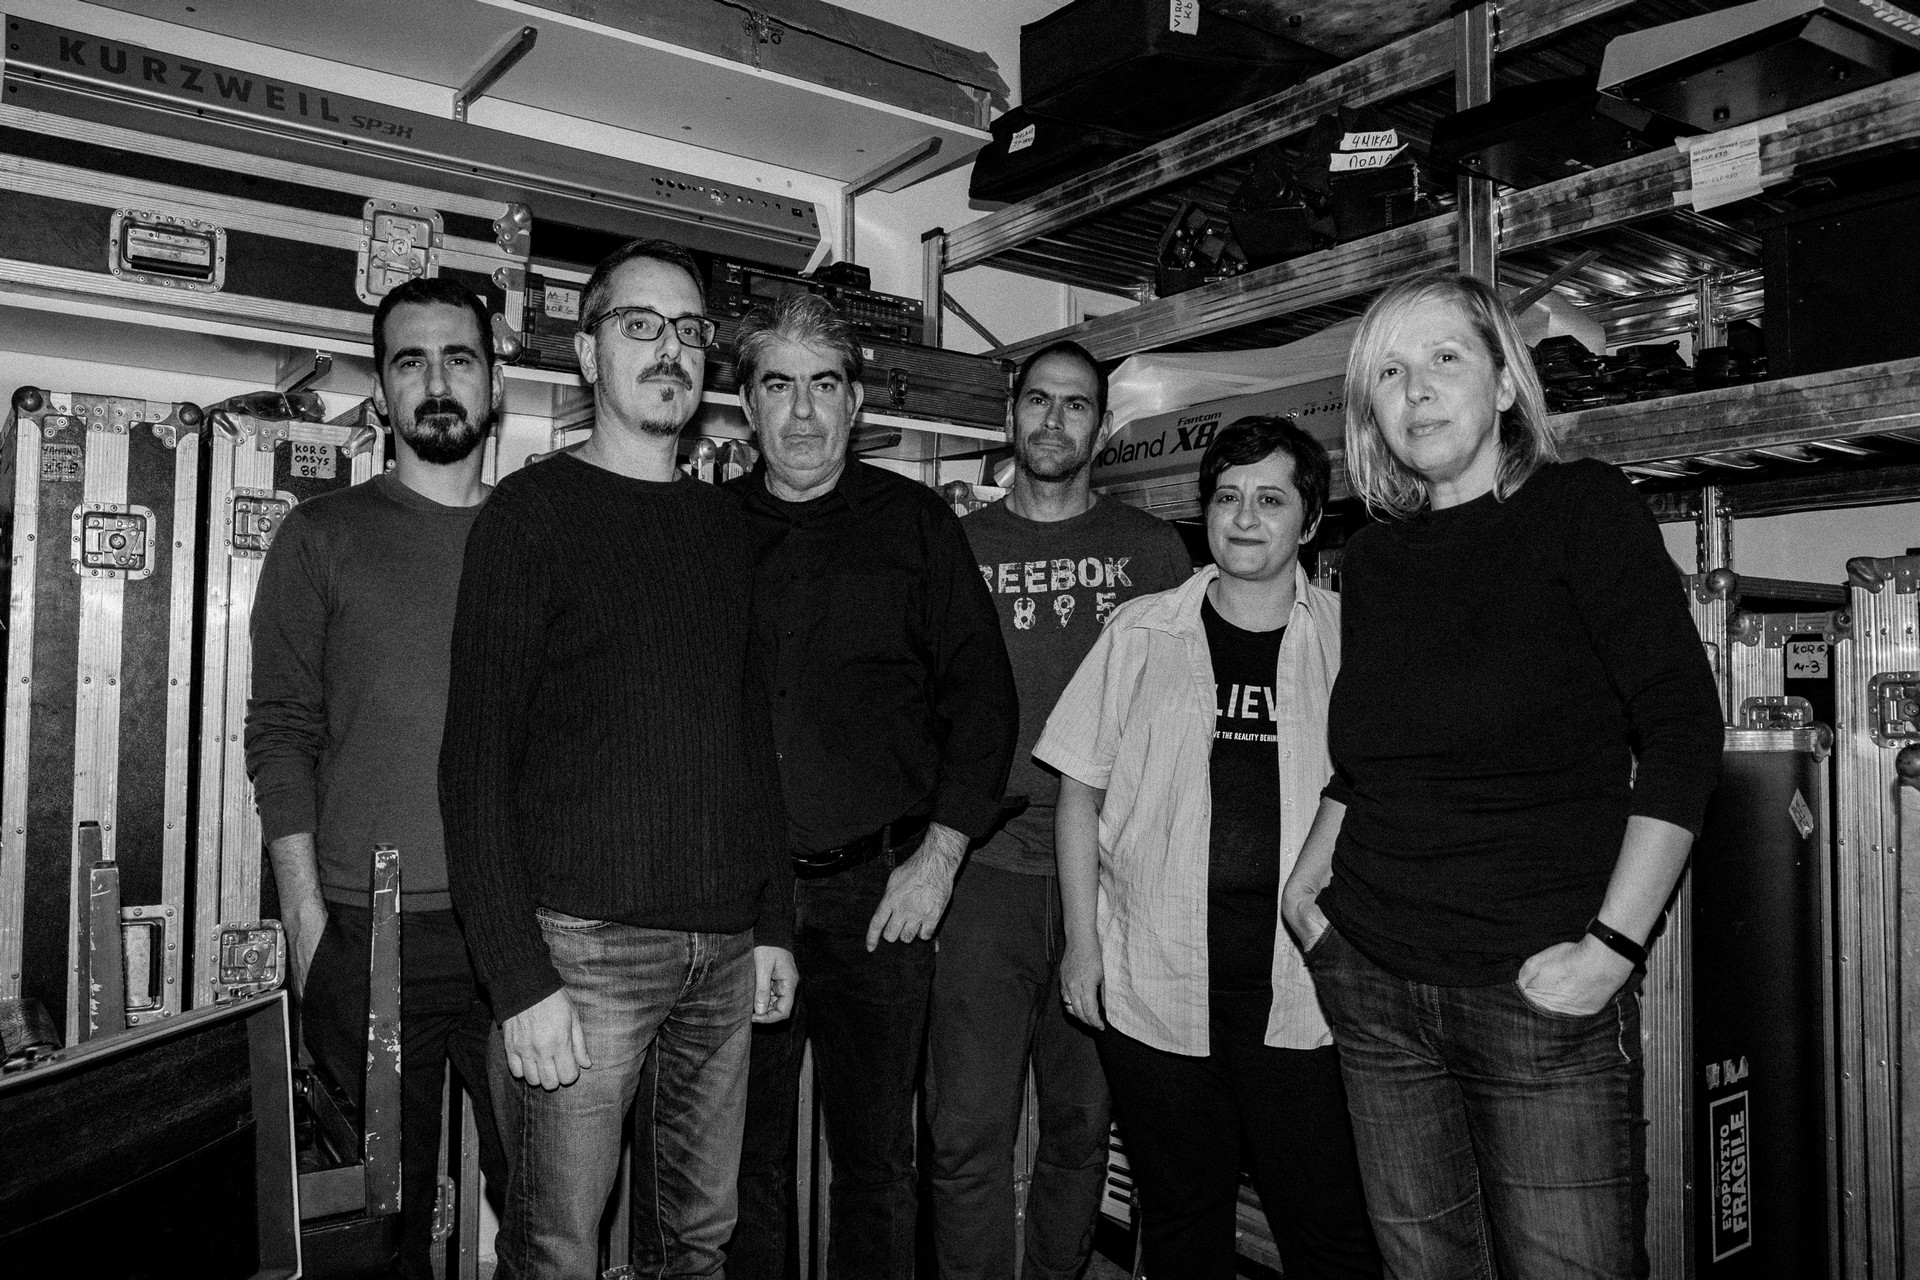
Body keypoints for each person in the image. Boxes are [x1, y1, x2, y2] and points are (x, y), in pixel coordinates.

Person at [1280, 270, 1723, 1279]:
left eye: (1445, 357)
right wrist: (1304, 895)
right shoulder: (1374, 559)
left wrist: (1613, 946)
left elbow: (1683, 729)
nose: (1417, 389)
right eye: (1389, 372)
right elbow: (1370, 760)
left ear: (1507, 383)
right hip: (1377, 986)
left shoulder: (1581, 507)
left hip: (1537, 996)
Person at [440, 239, 797, 1279]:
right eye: (641, 325)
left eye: (688, 330)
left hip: (724, 949)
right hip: (581, 954)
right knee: (557, 1249)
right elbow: (473, 764)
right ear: (590, 354)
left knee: (700, 1243)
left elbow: (751, 744)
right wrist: (518, 977)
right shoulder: (530, 515)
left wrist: (773, 922)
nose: (669, 348)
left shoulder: (727, 528)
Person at [1036, 417, 1381, 1280]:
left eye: (1271, 499)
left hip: (1307, 993)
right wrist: (1082, 946)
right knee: (1182, 1226)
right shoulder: (1140, 631)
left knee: (1330, 1234)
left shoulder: (1355, 640)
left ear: (1311, 520)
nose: (1245, 517)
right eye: (1227, 497)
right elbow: (1078, 792)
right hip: (1156, 986)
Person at [724, 292, 1018, 1280]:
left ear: (855, 402)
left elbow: (984, 700)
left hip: (881, 896)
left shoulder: (917, 524)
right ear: (747, 406)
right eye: (779, 386)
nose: (803, 413)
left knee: (878, 1166)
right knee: (741, 1167)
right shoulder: (708, 531)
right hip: (742, 899)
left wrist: (940, 857)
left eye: (824, 386)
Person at [246, 275, 509, 1279]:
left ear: (494, 383)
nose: (437, 381)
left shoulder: (536, 536)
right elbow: (280, 733)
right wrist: (307, 926)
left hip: (519, 937)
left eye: (460, 357)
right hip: (368, 936)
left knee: (551, 1215)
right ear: (385, 390)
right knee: (382, 1240)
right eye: (411, 361)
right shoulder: (321, 536)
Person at [928, 340, 1190, 1280]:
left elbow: (1178, 722)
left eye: (1075, 405)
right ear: (1011, 415)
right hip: (983, 875)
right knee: (965, 1131)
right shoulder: (958, 546)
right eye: (1038, 400)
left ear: (1102, 428)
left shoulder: (1154, 553)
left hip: (1112, 885)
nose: (1053, 420)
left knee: (1080, 1127)